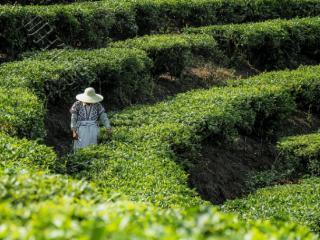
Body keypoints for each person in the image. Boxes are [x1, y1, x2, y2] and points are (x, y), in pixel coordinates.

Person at [70, 87, 112, 152]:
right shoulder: (77, 105)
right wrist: (74, 131)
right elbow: (73, 118)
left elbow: (103, 117)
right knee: (80, 149)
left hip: (93, 129)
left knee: (93, 148)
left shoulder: (98, 105)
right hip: (81, 130)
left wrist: (108, 127)